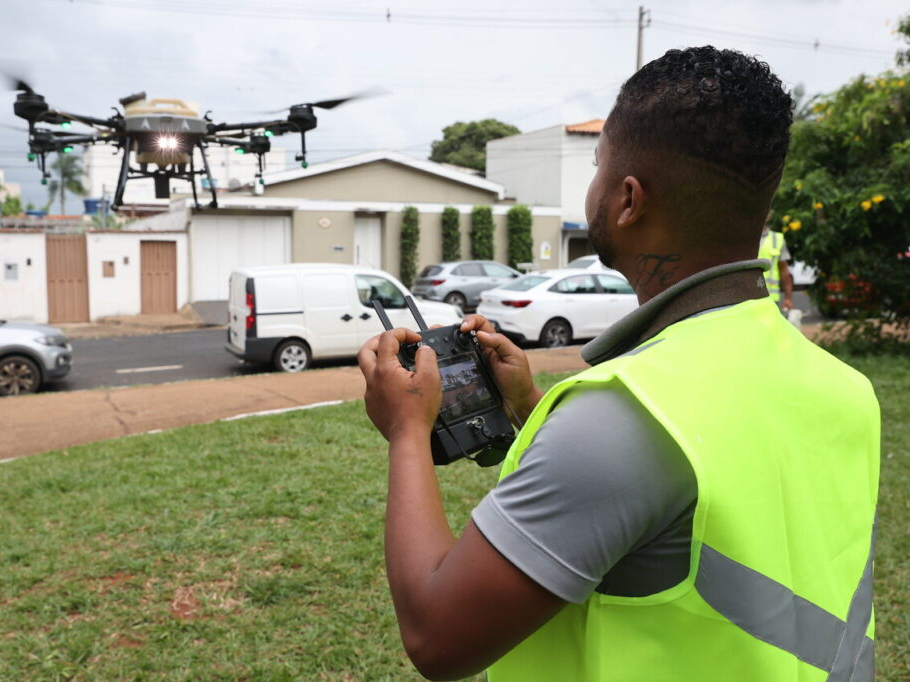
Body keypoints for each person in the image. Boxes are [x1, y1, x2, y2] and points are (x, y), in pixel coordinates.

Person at [358, 45, 879, 682]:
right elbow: (688, 526)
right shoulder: (844, 387)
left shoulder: (625, 422)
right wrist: (528, 410)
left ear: (628, 200)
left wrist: (408, 431)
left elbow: (437, 637)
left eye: (598, 164)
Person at [760, 223, 795, 312]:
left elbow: (784, 270)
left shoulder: (777, 239)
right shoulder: (741, 237)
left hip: (771, 299)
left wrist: (788, 298)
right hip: (745, 300)